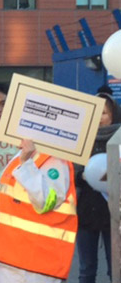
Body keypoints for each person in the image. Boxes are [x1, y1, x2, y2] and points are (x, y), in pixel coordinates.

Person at [0, 139, 77, 282]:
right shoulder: (31, 153)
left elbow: (46, 200)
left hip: (29, 266)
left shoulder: (55, 158)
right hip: (8, 258)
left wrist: (26, 164)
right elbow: (19, 195)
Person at [74, 92, 121, 283]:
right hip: (86, 211)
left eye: (103, 113)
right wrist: (82, 175)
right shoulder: (80, 140)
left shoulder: (119, 139)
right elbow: (71, 173)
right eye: (94, 113)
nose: (99, 118)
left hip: (114, 215)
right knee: (86, 268)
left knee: (116, 269)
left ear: (112, 115)